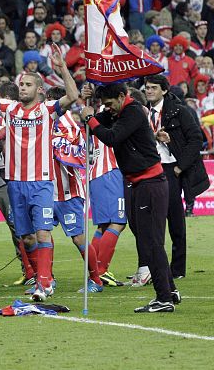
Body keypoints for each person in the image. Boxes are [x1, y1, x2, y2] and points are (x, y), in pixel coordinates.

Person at [0, 42, 78, 302]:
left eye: (28, 85)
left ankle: (44, 283)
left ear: (39, 90)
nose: (22, 88)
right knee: (27, 237)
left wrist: (62, 68)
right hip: (16, 183)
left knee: (42, 233)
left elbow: (73, 96)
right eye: (21, 84)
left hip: (40, 182)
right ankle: (43, 277)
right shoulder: (10, 108)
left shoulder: (47, 110)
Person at [81, 83, 181, 313]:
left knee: (151, 241)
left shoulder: (133, 111)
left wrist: (90, 119)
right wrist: (87, 105)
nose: (108, 109)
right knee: (148, 239)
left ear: (121, 96)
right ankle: (170, 290)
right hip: (138, 183)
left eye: (109, 104)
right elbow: (96, 124)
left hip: (150, 183)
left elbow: (111, 137)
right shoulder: (116, 111)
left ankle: (163, 298)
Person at [143, 75, 209, 280]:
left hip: (171, 169)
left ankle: (177, 269)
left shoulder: (179, 110)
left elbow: (197, 139)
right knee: (148, 219)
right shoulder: (143, 112)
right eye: (147, 88)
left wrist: (180, 166)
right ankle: (149, 268)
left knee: (174, 218)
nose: (149, 91)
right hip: (149, 169)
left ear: (164, 90)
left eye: (153, 87)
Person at [45, 87, 104, 294]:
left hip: (67, 191)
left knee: (78, 237)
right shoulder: (44, 120)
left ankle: (96, 279)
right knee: (39, 234)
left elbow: (70, 152)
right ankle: (46, 279)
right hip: (45, 189)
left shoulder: (66, 122)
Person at [79, 83, 127, 288]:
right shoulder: (108, 114)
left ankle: (94, 273)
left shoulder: (92, 115)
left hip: (96, 173)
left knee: (104, 225)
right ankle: (101, 271)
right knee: (118, 222)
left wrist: (84, 100)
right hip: (110, 172)